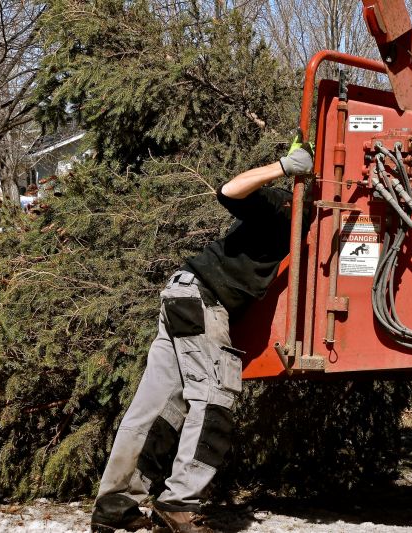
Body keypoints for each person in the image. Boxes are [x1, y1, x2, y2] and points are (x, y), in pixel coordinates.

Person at [91, 140, 314, 533]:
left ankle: (116, 504)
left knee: (157, 404)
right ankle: (179, 502)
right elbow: (229, 190)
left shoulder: (307, 217)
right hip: (201, 299)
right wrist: (283, 166)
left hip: (183, 294)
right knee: (214, 398)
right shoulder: (282, 205)